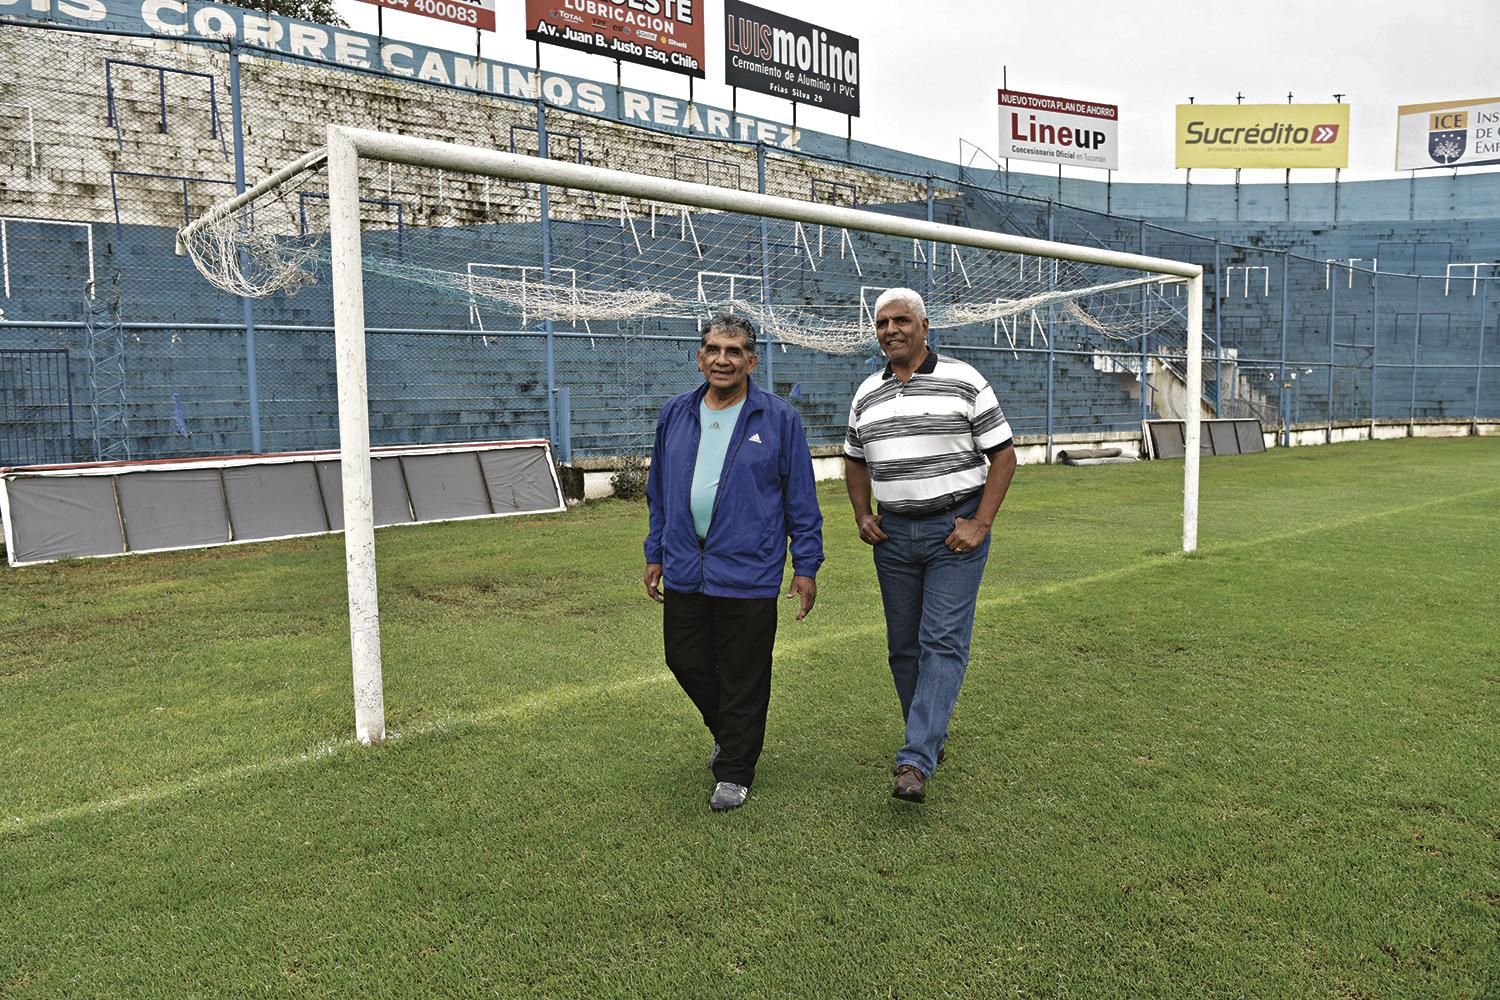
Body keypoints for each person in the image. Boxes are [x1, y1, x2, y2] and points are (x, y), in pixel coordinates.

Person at [843, 288, 1017, 804]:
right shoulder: (866, 393)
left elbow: (1004, 456)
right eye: (881, 324)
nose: (890, 330)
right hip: (893, 535)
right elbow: (854, 459)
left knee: (941, 641)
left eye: (901, 321)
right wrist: (861, 513)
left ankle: (915, 759)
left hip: (952, 533)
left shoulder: (964, 380)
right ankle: (928, 737)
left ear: (924, 327)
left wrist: (980, 524)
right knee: (903, 647)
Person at [644, 313, 824, 812]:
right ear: (700, 357)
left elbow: (801, 499)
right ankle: (732, 733)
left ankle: (735, 768)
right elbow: (658, 492)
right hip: (685, 565)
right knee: (684, 658)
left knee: (745, 671)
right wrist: (655, 551)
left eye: (734, 350)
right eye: (713, 350)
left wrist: (805, 564)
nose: (723, 359)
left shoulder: (778, 418)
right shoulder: (675, 414)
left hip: (751, 568)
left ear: (751, 359)